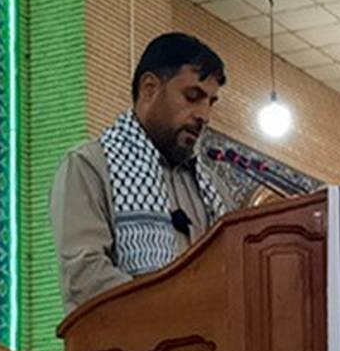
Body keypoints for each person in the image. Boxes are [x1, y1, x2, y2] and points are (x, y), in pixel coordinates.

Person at [50, 32, 229, 314]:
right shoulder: (90, 166)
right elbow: (85, 277)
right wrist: (174, 314)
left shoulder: (211, 188)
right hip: (124, 339)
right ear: (149, 88)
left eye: (211, 102)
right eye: (193, 97)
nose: (204, 116)